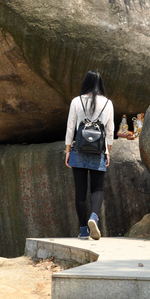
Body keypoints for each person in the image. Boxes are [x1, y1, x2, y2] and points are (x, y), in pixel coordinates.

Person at [65, 70, 114, 240]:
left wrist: (67, 151)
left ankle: (84, 230)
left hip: (79, 149)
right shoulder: (108, 103)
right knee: (97, 188)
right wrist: (108, 152)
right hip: (99, 150)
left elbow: (70, 128)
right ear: (100, 85)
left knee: (80, 191)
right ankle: (94, 216)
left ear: (85, 83)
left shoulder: (76, 101)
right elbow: (110, 131)